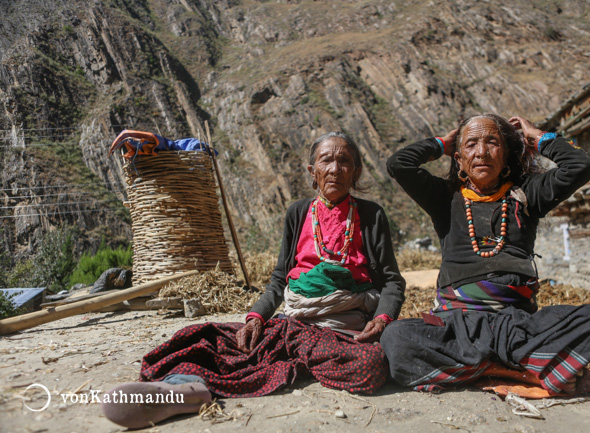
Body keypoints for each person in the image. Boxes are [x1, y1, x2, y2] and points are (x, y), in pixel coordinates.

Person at [102, 131, 405, 428]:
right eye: (326, 161)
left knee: (372, 364)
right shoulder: (298, 212)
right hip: (296, 322)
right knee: (205, 338)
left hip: (344, 328)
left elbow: (392, 281)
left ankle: (288, 361)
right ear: (313, 172)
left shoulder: (371, 214)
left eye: (345, 161)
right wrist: (257, 317)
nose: (335, 169)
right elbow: (278, 279)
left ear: (356, 171)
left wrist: (381, 319)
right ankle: (184, 388)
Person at [381, 114, 590, 395]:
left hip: (516, 324)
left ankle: (479, 365)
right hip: (457, 324)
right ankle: (516, 370)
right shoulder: (445, 198)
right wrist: (443, 143)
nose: (481, 152)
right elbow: (398, 164)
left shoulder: (527, 194)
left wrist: (537, 136)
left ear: (506, 155)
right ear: (459, 159)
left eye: (492, 142)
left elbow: (581, 165)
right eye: (471, 145)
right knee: (396, 337)